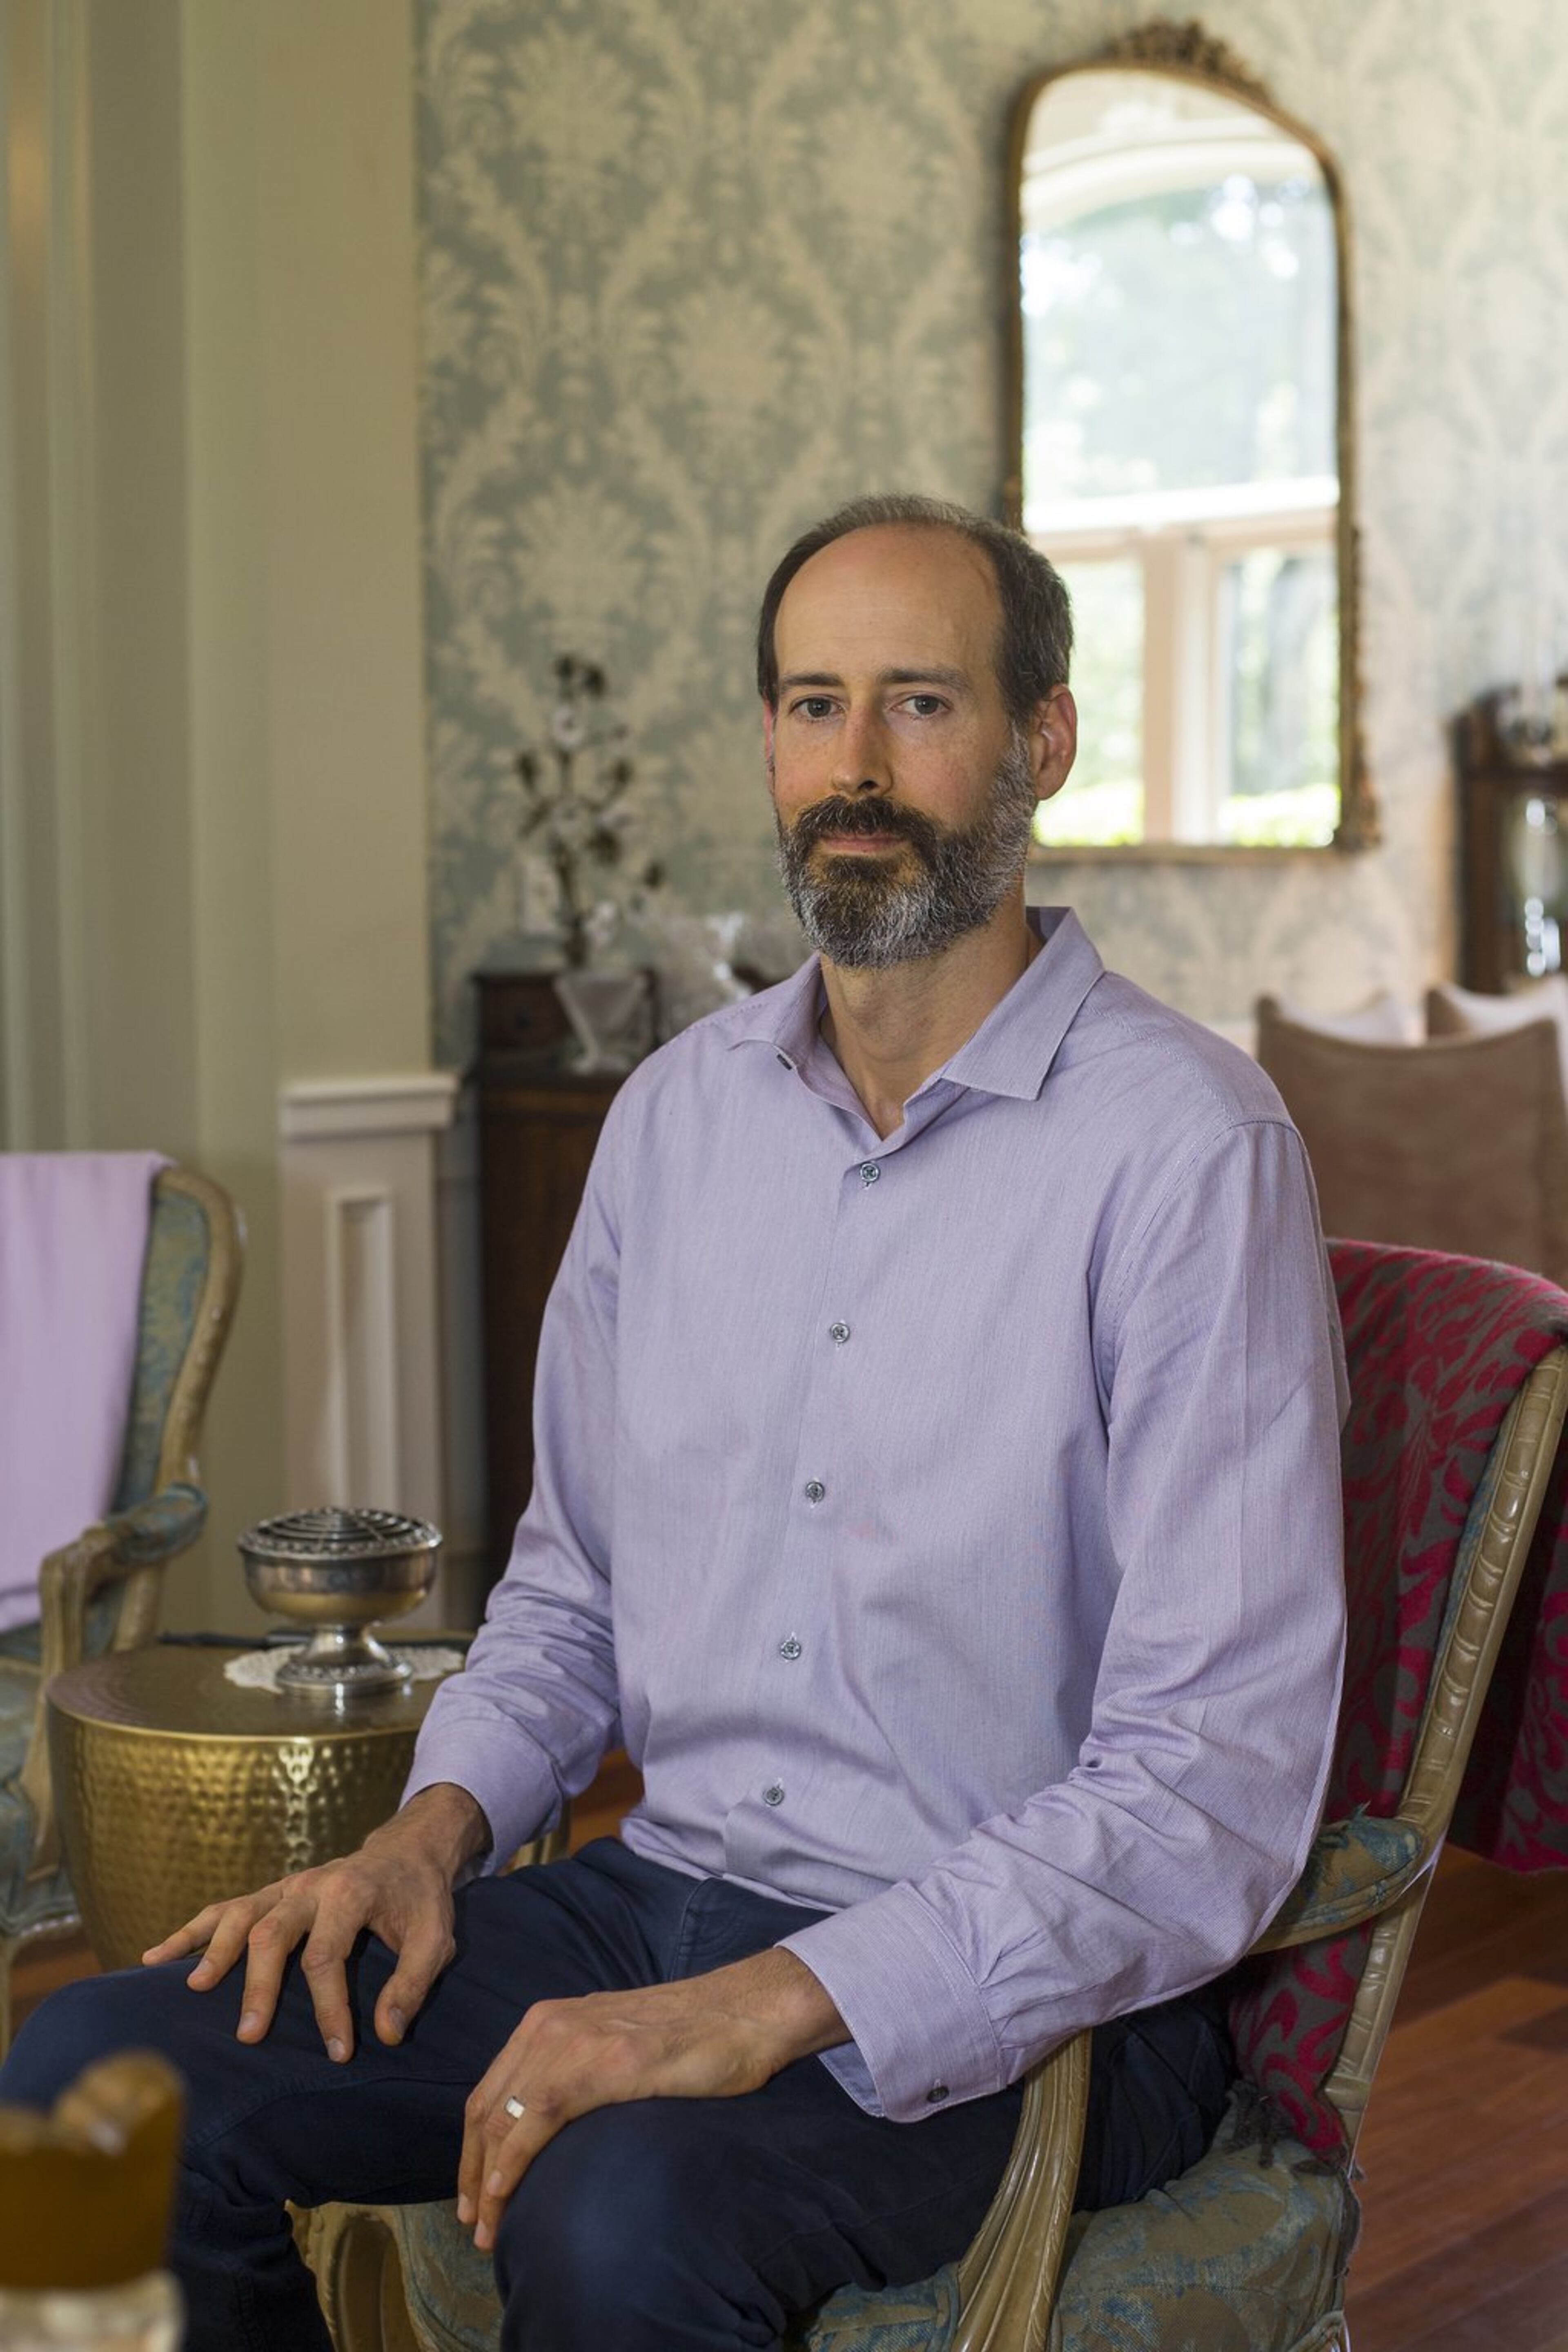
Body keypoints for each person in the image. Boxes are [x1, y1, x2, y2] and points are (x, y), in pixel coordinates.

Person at [3, 493, 1347, 2352]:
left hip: (1032, 1993)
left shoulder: (1190, 1152)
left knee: (621, 2212)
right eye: (811, 705)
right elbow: (572, 1594)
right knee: (87, 2079)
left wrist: (789, 1996)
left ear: (1041, 741)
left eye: (919, 705)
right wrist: (428, 1837)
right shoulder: (673, 1122)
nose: (854, 768)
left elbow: (1210, 1781)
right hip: (654, 1894)